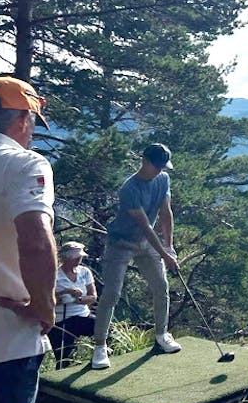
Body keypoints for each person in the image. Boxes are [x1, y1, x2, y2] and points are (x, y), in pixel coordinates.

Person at [0, 76, 57, 403]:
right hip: (3, 341)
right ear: (22, 122)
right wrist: (45, 306)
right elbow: (35, 241)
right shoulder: (21, 164)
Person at [91, 143, 181, 369]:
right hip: (121, 243)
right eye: (156, 166)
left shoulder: (163, 179)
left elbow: (165, 213)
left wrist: (169, 247)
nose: (159, 170)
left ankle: (161, 336)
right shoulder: (129, 188)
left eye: (163, 166)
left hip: (146, 244)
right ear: (144, 161)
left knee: (161, 286)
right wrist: (164, 255)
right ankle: (100, 347)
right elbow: (145, 227)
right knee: (112, 293)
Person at [47, 242, 98, 369]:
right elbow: (47, 300)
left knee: (104, 329)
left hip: (83, 316)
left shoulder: (85, 272)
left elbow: (93, 296)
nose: (78, 260)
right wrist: (66, 293)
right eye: (75, 257)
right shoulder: (54, 275)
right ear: (65, 258)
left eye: (79, 257)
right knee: (63, 358)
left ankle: (99, 358)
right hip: (62, 320)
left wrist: (79, 300)